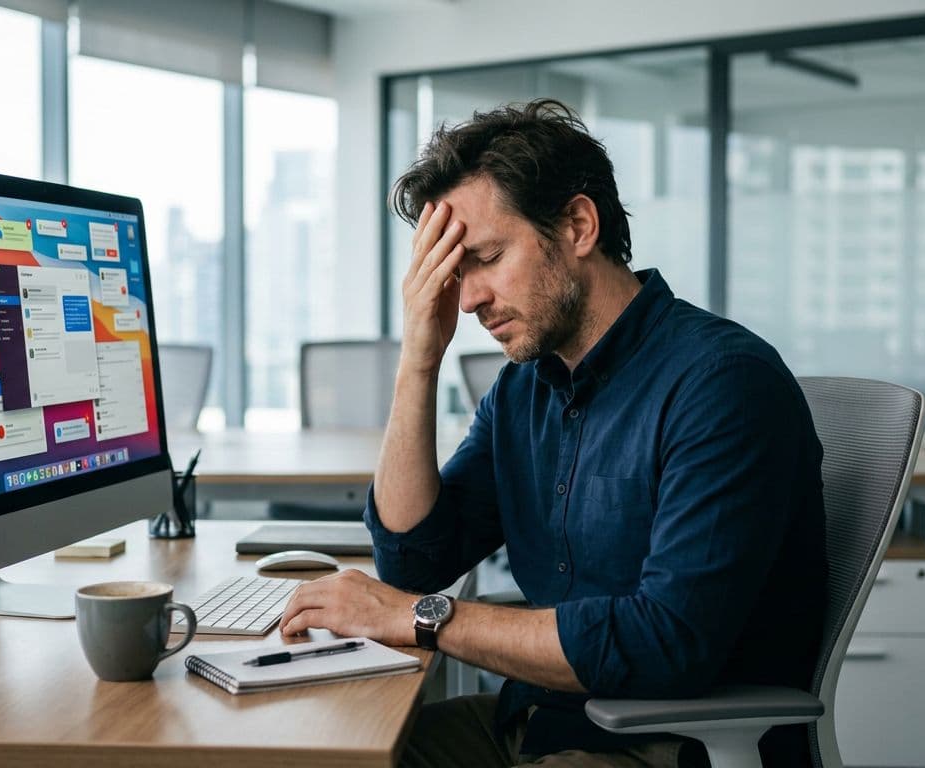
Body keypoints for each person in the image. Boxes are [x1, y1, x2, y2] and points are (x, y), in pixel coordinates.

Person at [278, 99, 826, 768]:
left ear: (577, 225)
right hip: (534, 723)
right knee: (320, 750)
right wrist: (418, 358)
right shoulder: (524, 390)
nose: (469, 298)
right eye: (455, 275)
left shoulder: (722, 384)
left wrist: (422, 618)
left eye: (485, 258)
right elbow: (414, 560)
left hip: (657, 746)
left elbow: (666, 642)